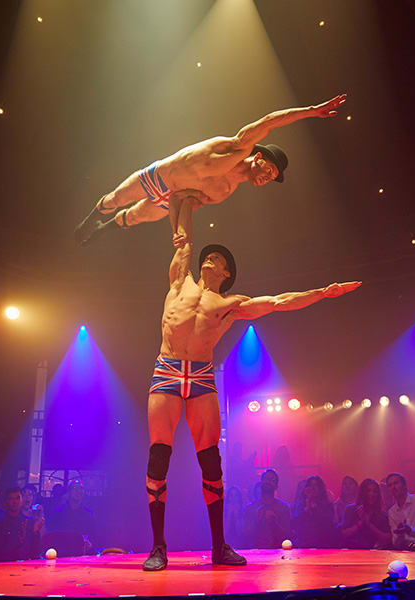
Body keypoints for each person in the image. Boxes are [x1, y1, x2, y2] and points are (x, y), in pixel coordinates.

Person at [141, 195, 360, 570]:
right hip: (167, 370)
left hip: (201, 377)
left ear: (226, 275)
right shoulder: (180, 279)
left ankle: (219, 547)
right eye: (210, 257)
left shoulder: (230, 304)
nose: (212, 260)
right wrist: (185, 200)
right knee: (159, 455)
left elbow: (279, 301)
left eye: (220, 261)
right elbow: (183, 239)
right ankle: (158, 547)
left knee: (211, 461)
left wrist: (324, 292)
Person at [74, 94, 347, 245]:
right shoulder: (236, 148)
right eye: (270, 170)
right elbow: (268, 122)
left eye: (272, 178)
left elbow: (185, 204)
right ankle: (89, 222)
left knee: (132, 218)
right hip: (158, 176)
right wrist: (311, 111)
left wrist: (179, 234)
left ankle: (101, 230)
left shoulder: (225, 192)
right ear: (260, 157)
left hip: (167, 201)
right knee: (116, 199)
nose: (267, 177)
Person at [0, 487, 43, 562]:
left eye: (17, 498)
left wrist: (36, 532)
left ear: (22, 500)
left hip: (26, 565)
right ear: (6, 501)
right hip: (5, 565)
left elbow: (36, 552)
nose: (14, 502)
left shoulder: (29, 522)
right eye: (11, 499)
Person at [243, 470, 291, 550]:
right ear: (261, 482)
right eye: (266, 479)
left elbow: (288, 535)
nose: (268, 482)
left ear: (276, 486)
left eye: (271, 480)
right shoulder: (251, 508)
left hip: (277, 553)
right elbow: (245, 535)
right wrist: (257, 520)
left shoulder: (284, 508)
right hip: (255, 553)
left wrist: (274, 523)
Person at [339, 478, 390, 549]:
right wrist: (360, 523)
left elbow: (387, 538)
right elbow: (343, 534)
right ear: (362, 492)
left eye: (375, 491)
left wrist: (369, 524)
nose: (371, 494)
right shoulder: (350, 510)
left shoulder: (382, 514)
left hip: (374, 553)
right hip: (352, 551)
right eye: (368, 491)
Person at [292, 475, 338, 548]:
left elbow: (328, 523)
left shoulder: (327, 504)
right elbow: (296, 524)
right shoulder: (301, 505)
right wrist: (307, 507)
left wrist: (315, 509)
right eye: (310, 485)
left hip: (324, 544)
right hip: (305, 545)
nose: (313, 488)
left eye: (315, 485)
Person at [223, 486, 246, 550]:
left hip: (239, 543)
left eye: (235, 495)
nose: (233, 498)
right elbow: (225, 532)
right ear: (228, 497)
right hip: (226, 543)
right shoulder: (223, 511)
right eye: (231, 495)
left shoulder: (243, 511)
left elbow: (240, 532)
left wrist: (237, 515)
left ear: (239, 498)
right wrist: (229, 514)